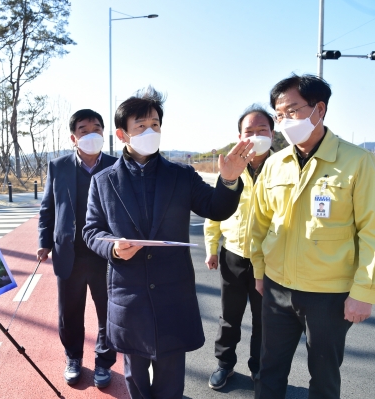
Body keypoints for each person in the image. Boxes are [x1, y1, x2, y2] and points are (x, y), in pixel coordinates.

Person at [83, 86, 253, 398]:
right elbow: (91, 231)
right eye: (141, 126)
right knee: (134, 374)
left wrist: (228, 181)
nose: (150, 132)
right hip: (129, 292)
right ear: (122, 134)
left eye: (156, 125)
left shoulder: (181, 175)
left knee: (172, 376)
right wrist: (113, 247)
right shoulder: (103, 181)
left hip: (173, 292)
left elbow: (216, 208)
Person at [251, 74, 375, 399]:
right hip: (277, 289)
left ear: (320, 109)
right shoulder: (275, 164)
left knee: (324, 376)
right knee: (269, 368)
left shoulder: (357, 162)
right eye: (279, 114)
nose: (284, 120)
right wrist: (259, 272)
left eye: (292, 110)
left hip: (329, 295)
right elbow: (258, 224)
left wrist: (365, 292)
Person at [37, 109, 118, 388]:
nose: (91, 134)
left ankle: (104, 362)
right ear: (74, 137)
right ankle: (73, 357)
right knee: (69, 312)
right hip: (69, 253)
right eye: (84, 130)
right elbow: (48, 208)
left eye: (97, 129)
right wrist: (43, 242)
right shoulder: (58, 167)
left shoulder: (116, 165)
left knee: (108, 312)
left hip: (105, 254)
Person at [204, 104, 274, 390]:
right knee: (230, 316)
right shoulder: (231, 168)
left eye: (263, 130)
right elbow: (215, 210)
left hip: (270, 260)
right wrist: (211, 247)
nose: (256, 136)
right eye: (250, 131)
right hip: (233, 254)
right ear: (239, 136)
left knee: (264, 319)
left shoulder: (282, 167)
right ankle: (224, 365)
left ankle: (259, 367)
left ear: (273, 134)